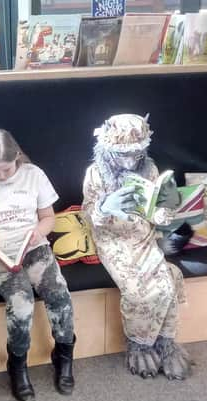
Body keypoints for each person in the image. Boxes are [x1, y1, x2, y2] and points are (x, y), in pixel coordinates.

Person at [0, 129, 76, 401]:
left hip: (33, 249)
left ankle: (64, 354)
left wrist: (38, 231)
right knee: (21, 303)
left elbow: (48, 218)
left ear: (17, 156)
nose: (1, 176)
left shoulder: (34, 174)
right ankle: (17, 365)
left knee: (59, 294)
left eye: (6, 170)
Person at [82, 114, 192, 380]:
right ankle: (139, 344)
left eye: (136, 154)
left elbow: (151, 207)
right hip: (112, 239)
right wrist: (106, 207)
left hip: (143, 236)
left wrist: (161, 215)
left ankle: (165, 343)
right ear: (109, 149)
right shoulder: (96, 173)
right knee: (138, 290)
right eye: (123, 155)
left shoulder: (149, 168)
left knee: (169, 279)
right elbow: (89, 215)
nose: (131, 161)